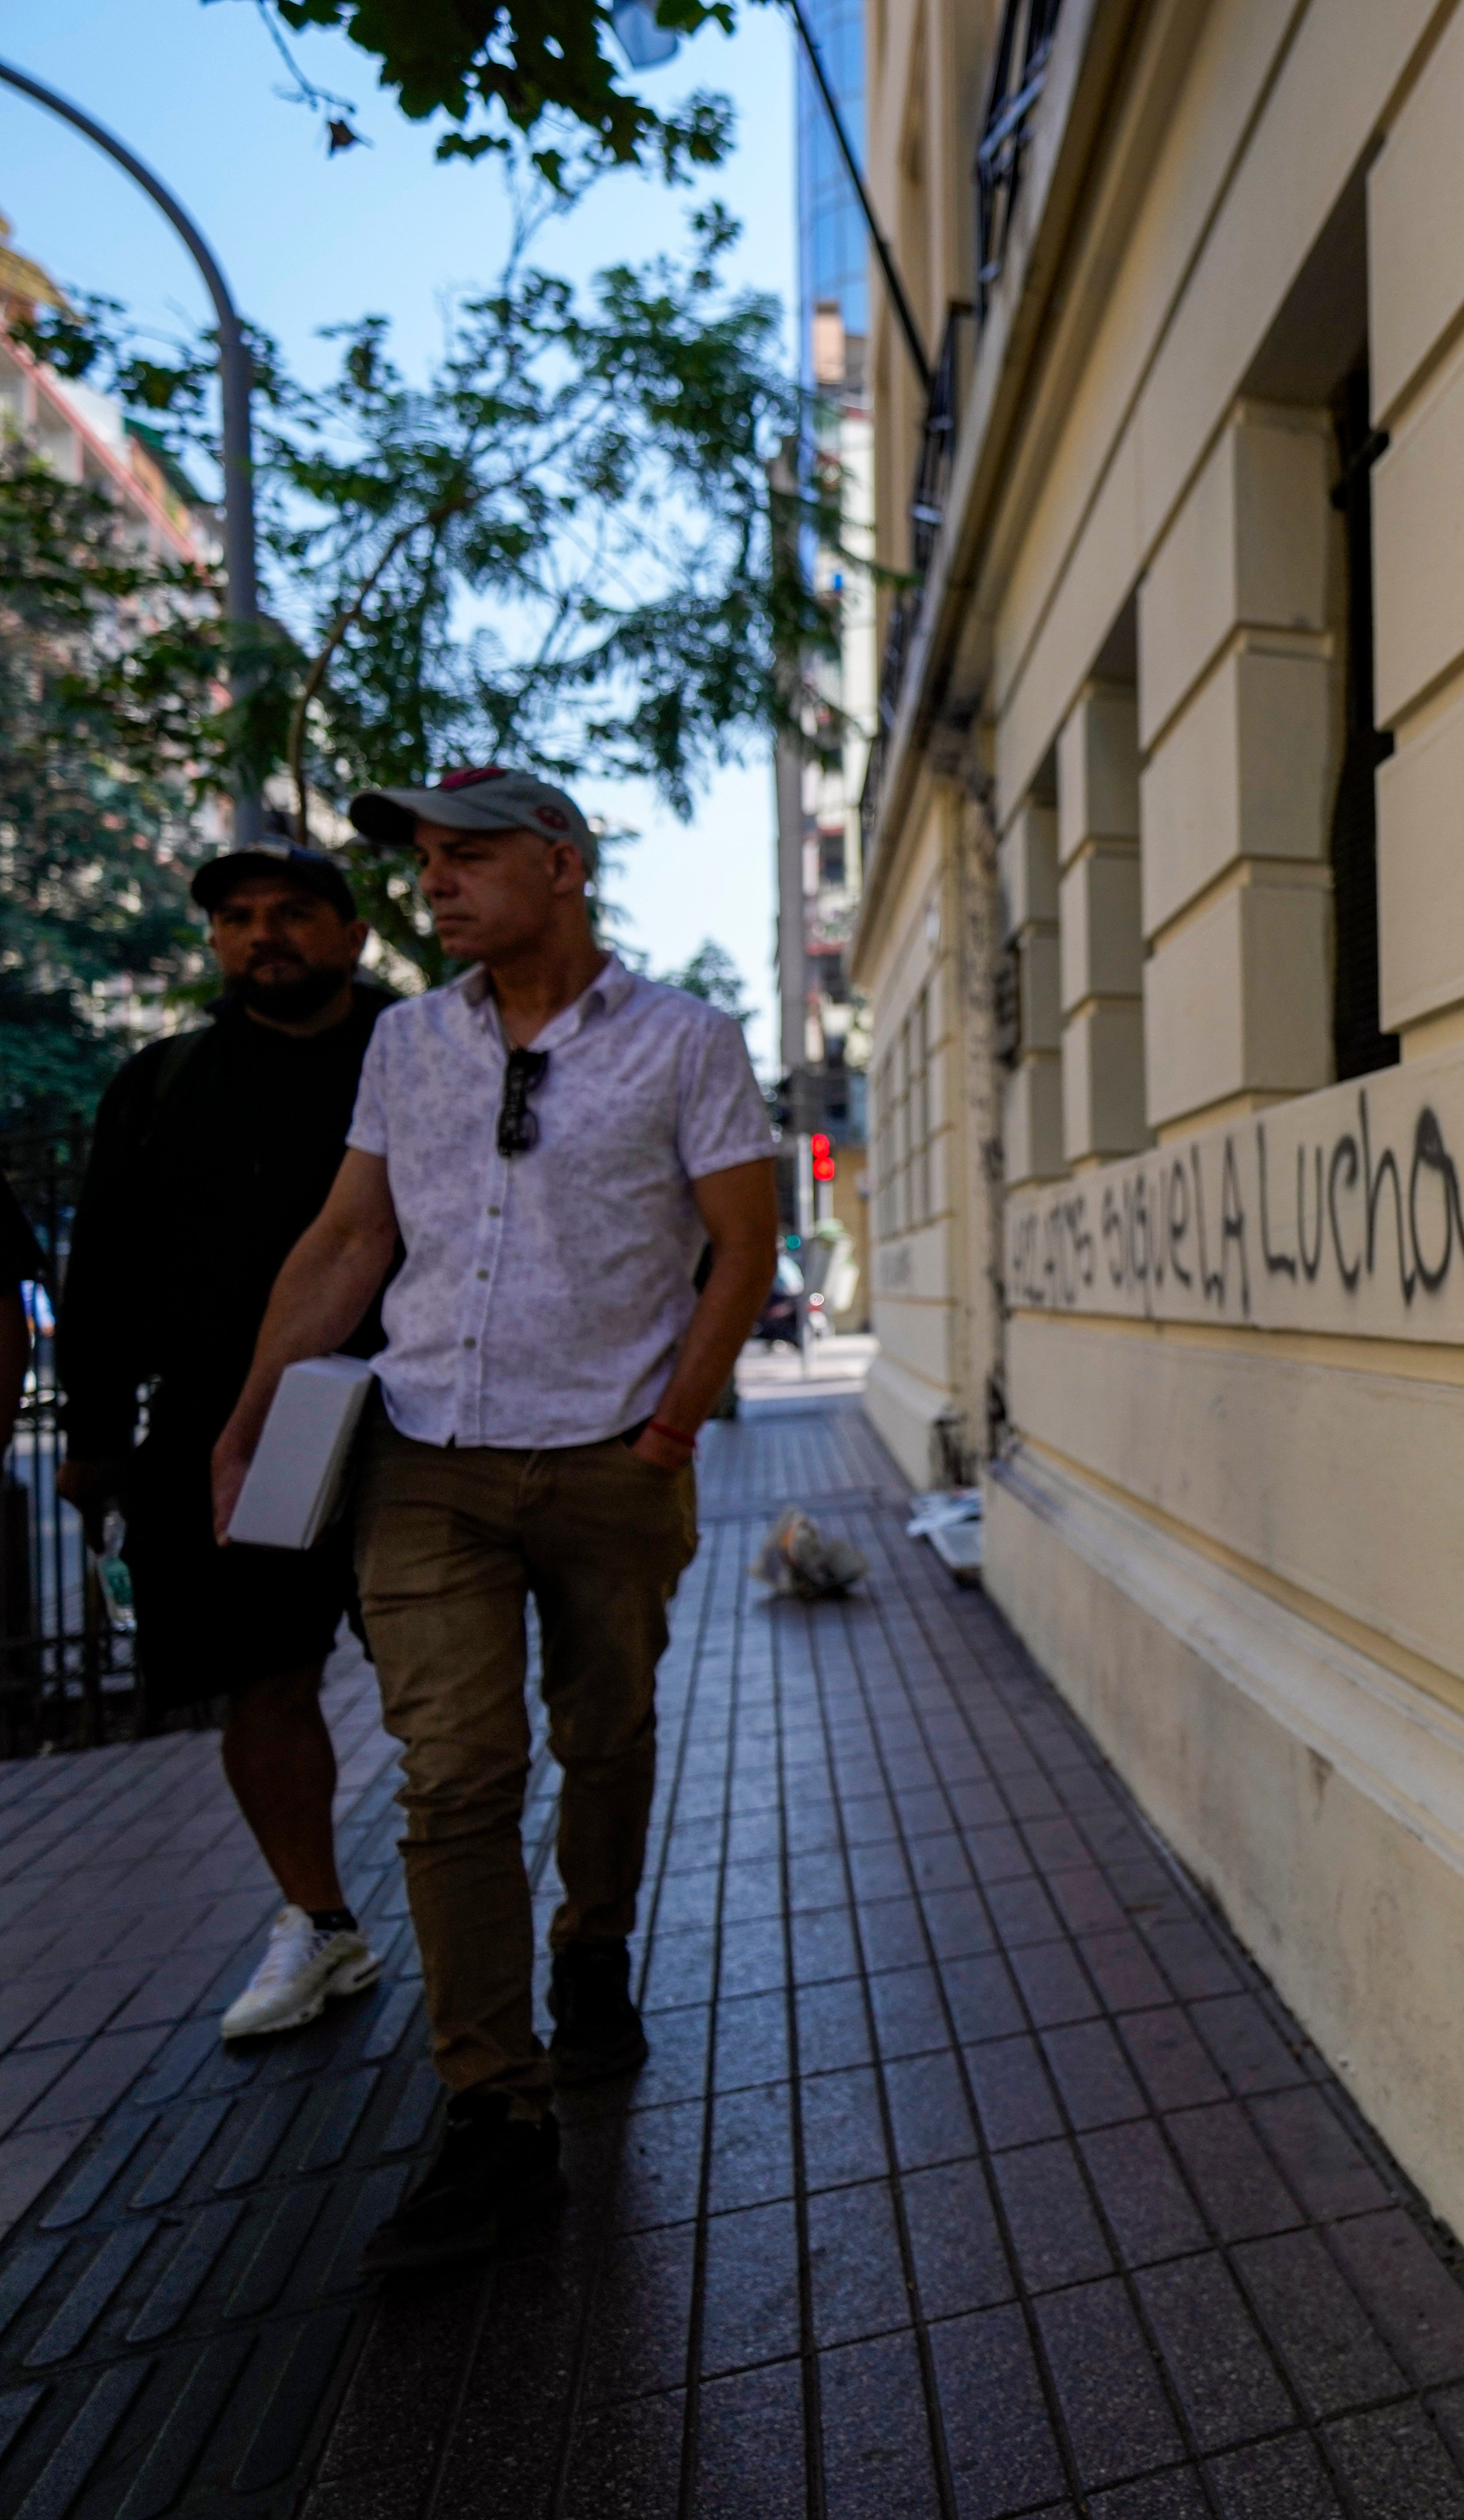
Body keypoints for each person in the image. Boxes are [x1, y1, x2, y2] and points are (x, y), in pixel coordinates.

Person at [214, 766, 777, 2276]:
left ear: (565, 865)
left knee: (607, 1729)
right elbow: (351, 1236)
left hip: (610, 1460)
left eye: (468, 859)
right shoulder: (408, 1042)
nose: (435, 886)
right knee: (454, 1777)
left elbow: (743, 1245)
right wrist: (257, 1405)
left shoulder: (684, 1040)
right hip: (427, 1462)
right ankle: (495, 2115)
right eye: (425, 864)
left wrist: (673, 1425)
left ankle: (592, 1940)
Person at [57, 843, 394, 2038]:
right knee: (263, 1676)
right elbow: (95, 1275)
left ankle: (483, 1910)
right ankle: (320, 1920)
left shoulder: (425, 1058)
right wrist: (95, 1436)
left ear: (352, 934)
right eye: (239, 919)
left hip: (415, 1408)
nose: (265, 936)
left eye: (294, 913)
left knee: (439, 1671)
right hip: (221, 1427)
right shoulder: (161, 1085)